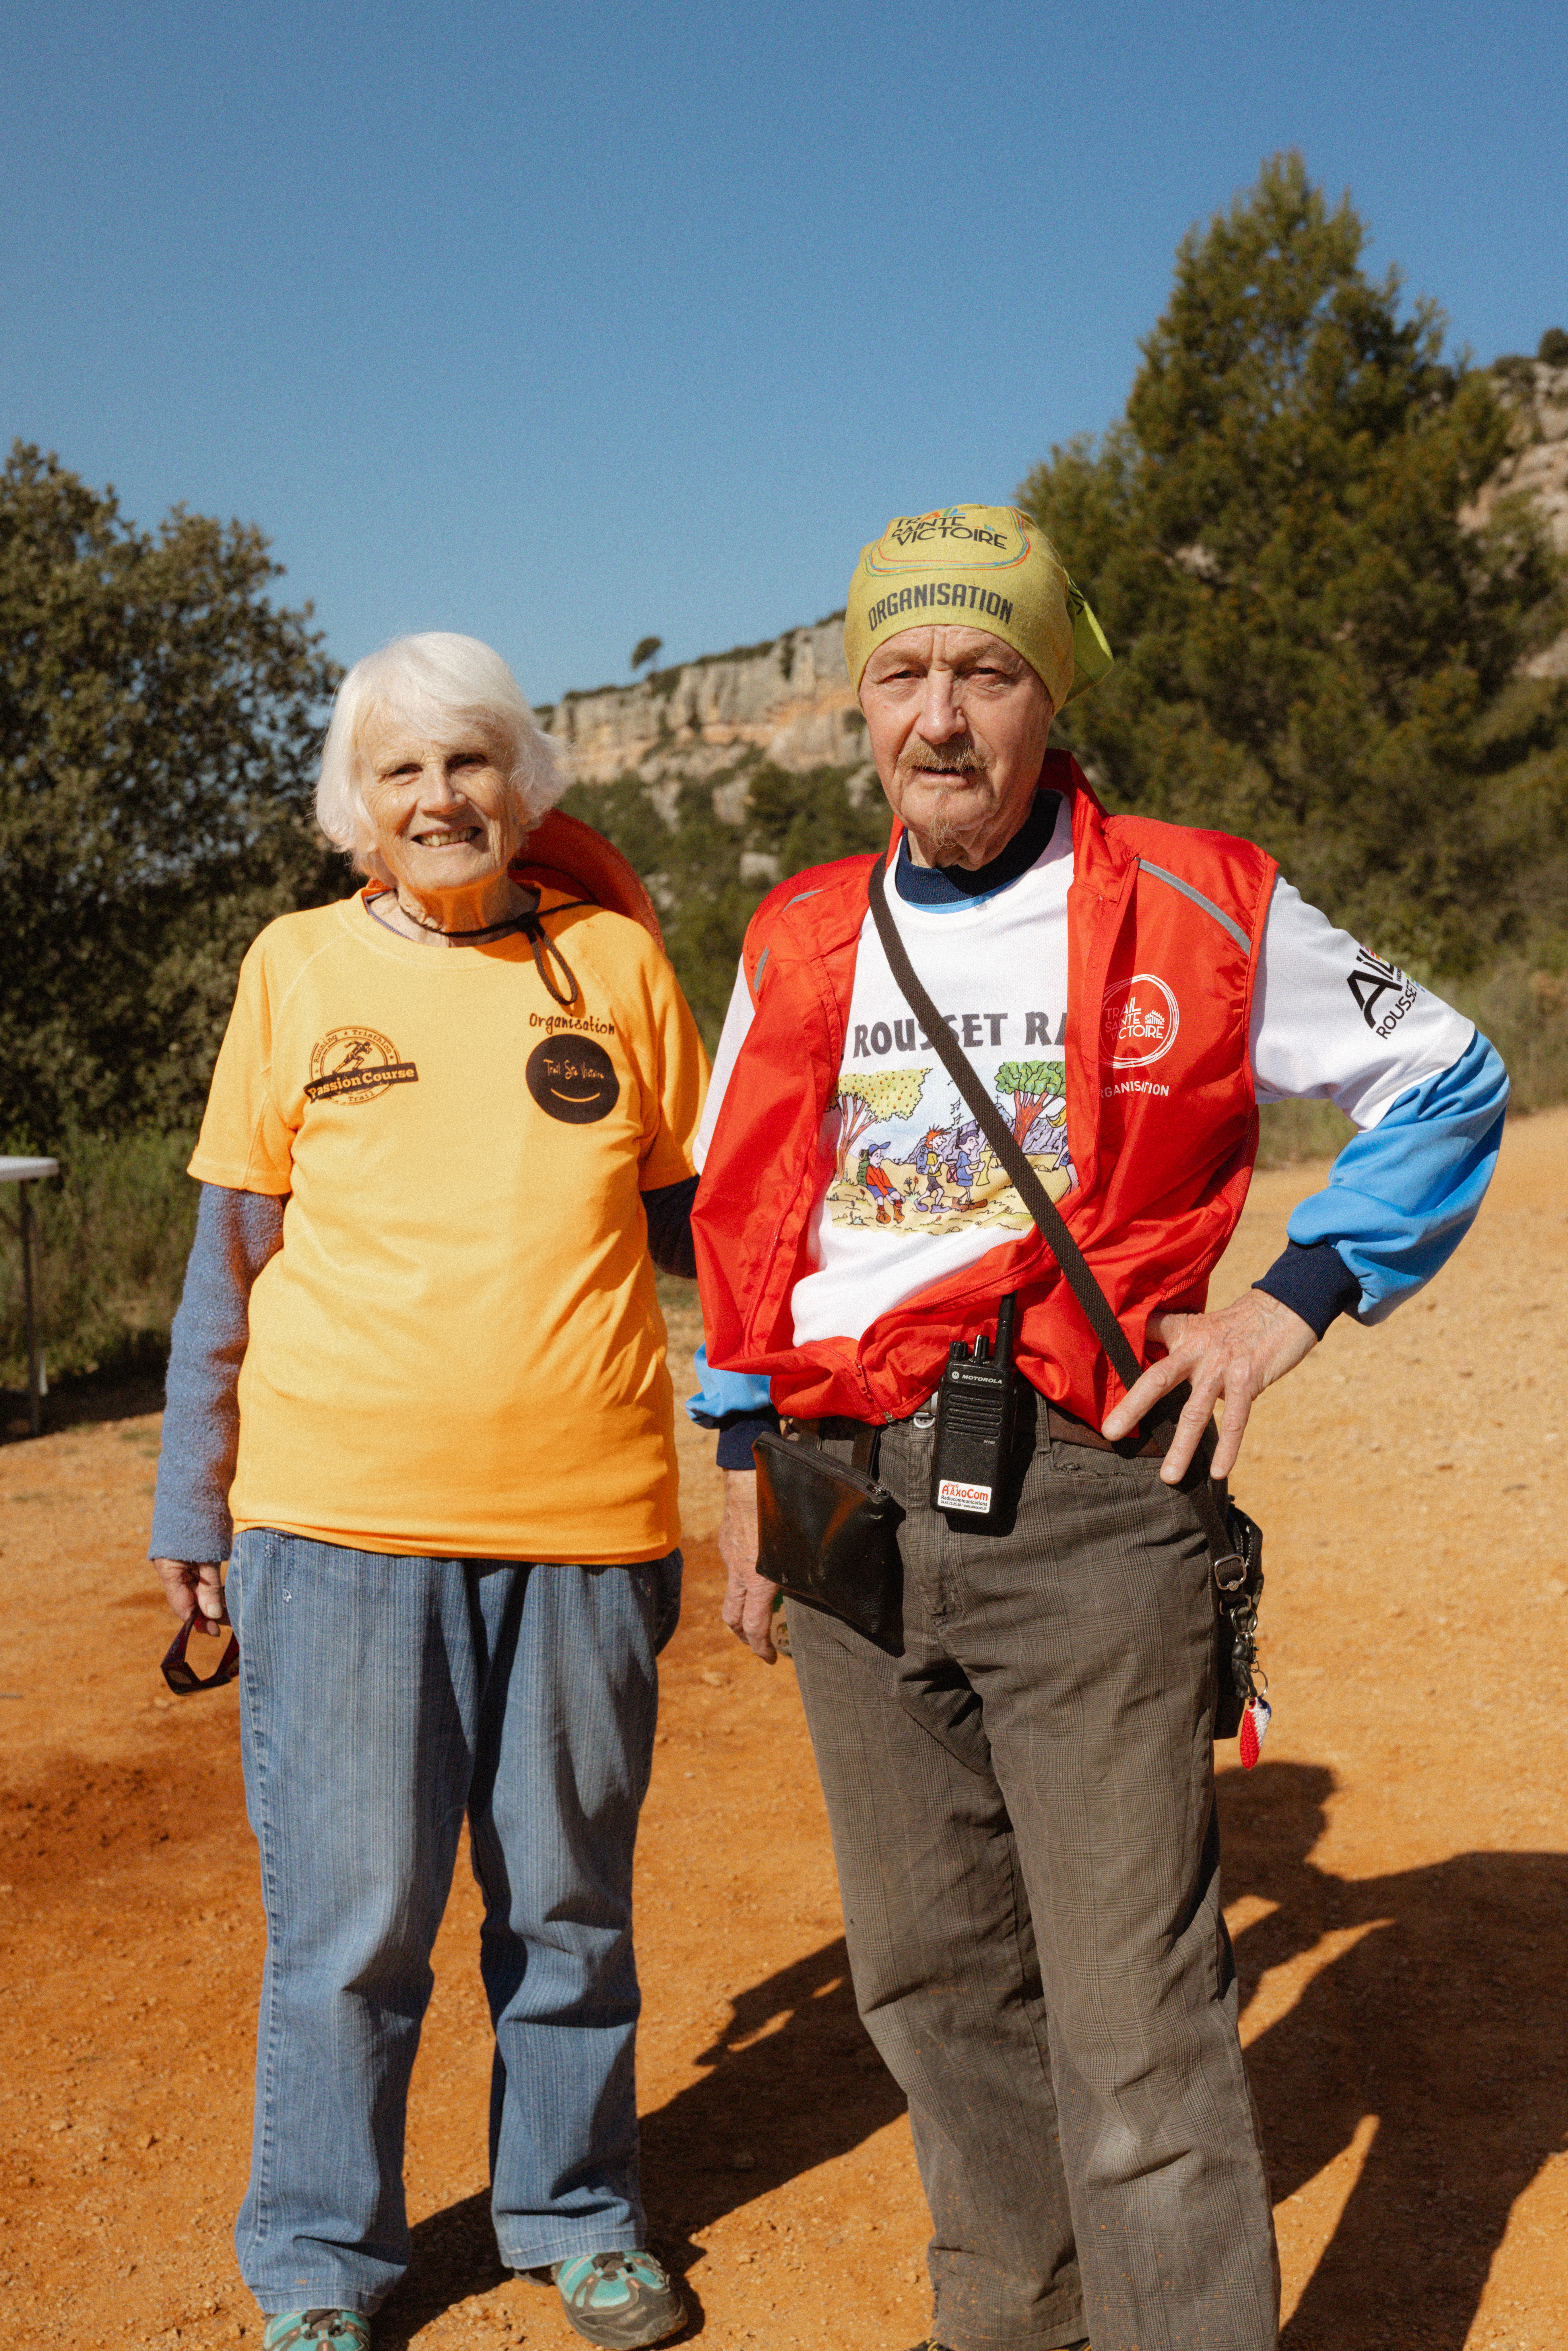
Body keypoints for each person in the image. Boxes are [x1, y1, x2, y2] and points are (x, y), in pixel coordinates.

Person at [687, 507, 1508, 2351]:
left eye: (985, 671)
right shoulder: (800, 933)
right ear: (859, 711)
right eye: (902, 675)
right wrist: (742, 1465)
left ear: (1052, 696)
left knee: (1130, 2019)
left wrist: (1292, 1301)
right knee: (925, 1980)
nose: (942, 715)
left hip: (1090, 1498)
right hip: (842, 1497)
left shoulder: (1199, 893)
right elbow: (747, 1210)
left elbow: (1449, 1070)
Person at [150, 634, 706, 2351]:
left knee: (565, 1908)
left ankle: (575, 2213)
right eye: (400, 772)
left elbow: (720, 1240)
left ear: (519, 782)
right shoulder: (297, 969)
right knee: (352, 1927)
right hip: (336, 1525)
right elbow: (228, 1260)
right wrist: (194, 1503)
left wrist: (771, 1453)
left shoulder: (612, 963)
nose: (439, 797)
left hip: (588, 1520)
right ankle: (322, 2266)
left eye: (467, 762)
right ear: (355, 809)